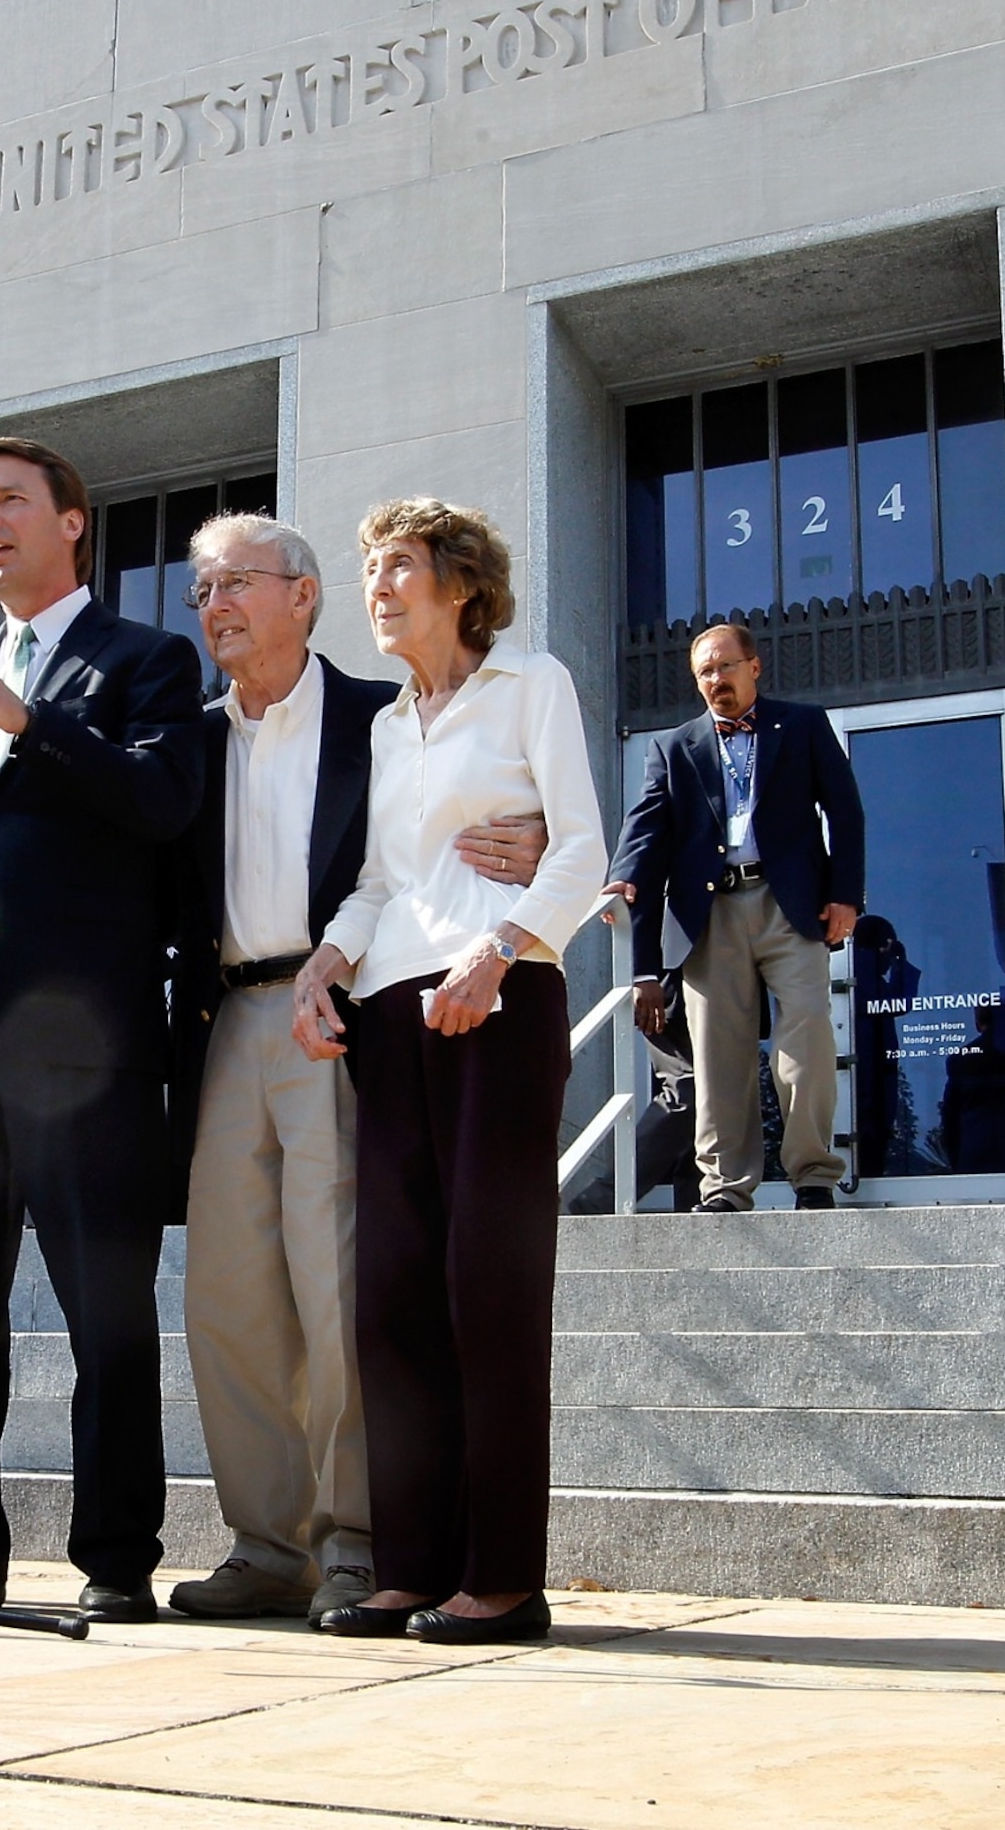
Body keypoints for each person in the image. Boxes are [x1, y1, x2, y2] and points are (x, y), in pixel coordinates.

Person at [162, 511, 550, 1623]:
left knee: (343, 1290)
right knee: (227, 1297)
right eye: (200, 591)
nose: (214, 607)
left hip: (344, 1012)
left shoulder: (380, 715)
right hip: (231, 1015)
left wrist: (525, 842)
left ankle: (359, 1536)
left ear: (303, 593)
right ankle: (265, 1538)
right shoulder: (190, 737)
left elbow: (478, 829)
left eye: (235, 581)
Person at [0, 437, 203, 1622]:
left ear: (73, 522)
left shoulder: (147, 659)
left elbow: (162, 801)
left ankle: (117, 1554)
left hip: (84, 1039)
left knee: (102, 1301)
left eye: (10, 499)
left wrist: (29, 720)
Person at [292, 498, 605, 1647]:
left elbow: (580, 847)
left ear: (461, 583)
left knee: (491, 1288)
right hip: (391, 1013)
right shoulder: (387, 727)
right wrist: (326, 958)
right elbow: (383, 881)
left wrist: (498, 949)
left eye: (400, 568)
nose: (377, 586)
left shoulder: (533, 687)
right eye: (369, 568)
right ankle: (411, 1563)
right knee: (395, 1298)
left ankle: (505, 1578)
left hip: (502, 1002)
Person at [605, 622, 863, 1213]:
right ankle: (726, 1187)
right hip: (708, 913)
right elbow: (645, 833)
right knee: (719, 1056)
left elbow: (845, 811)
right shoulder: (674, 747)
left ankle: (813, 1176)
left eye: (725, 667)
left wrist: (845, 894)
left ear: (754, 667)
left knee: (806, 1038)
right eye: (705, 672)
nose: (715, 680)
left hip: (790, 905)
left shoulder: (801, 726)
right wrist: (626, 882)